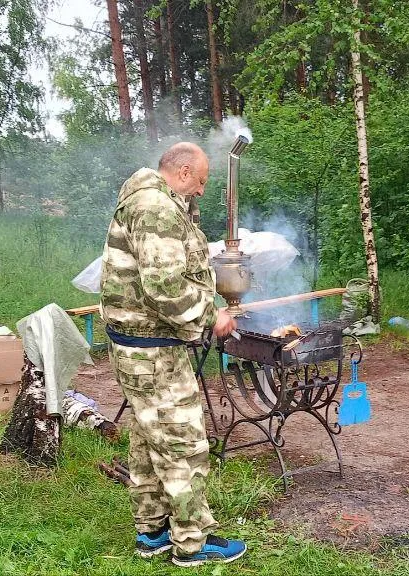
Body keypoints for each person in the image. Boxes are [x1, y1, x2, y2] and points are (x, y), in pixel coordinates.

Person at [99, 142, 246, 567]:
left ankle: (153, 531)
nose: (201, 191)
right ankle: (192, 542)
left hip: (137, 345)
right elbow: (163, 287)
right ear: (182, 172)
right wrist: (208, 317)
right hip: (153, 351)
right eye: (200, 181)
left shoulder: (150, 200)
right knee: (183, 443)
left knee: (148, 437)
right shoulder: (158, 209)